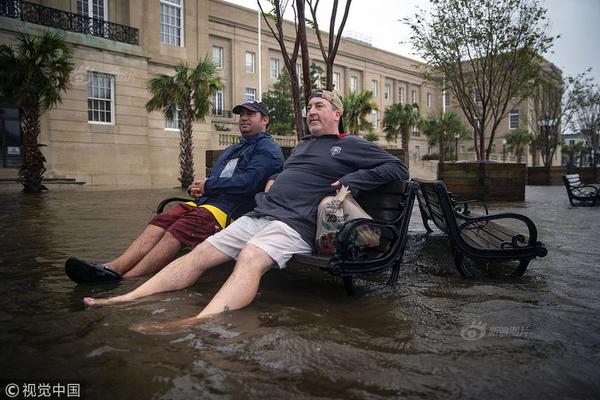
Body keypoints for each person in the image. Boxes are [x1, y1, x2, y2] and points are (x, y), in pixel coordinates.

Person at [83, 90, 409, 330]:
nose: (311, 111)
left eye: (319, 106)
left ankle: (196, 322)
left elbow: (397, 169)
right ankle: (125, 299)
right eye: (308, 107)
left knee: (250, 256)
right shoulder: (304, 145)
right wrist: (275, 179)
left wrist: (353, 178)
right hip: (261, 214)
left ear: (336, 113)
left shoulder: (351, 145)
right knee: (198, 255)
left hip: (297, 224)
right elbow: (293, 173)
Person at [65, 100, 284, 283]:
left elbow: (250, 183)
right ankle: (113, 267)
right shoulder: (233, 149)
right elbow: (217, 179)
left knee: (181, 227)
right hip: (206, 204)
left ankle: (127, 280)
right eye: (241, 114)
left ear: (264, 120)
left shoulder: (267, 148)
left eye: (251, 114)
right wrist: (198, 188)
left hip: (232, 212)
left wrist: (209, 186)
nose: (244, 118)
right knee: (163, 219)